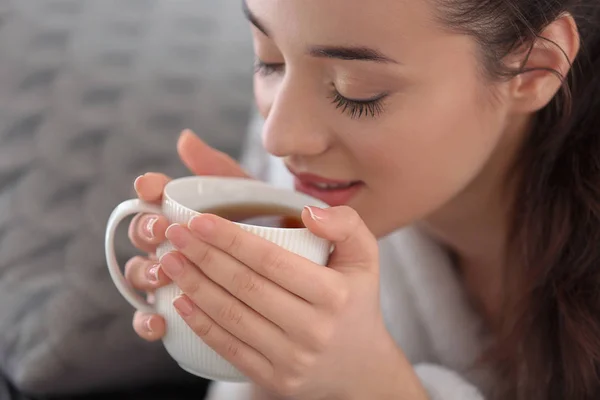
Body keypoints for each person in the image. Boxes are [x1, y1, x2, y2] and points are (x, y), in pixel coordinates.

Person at [122, 0, 600, 399]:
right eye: (269, 60)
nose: (279, 136)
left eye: (357, 92)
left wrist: (371, 383)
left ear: (535, 69)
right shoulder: (302, 173)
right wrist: (260, 330)